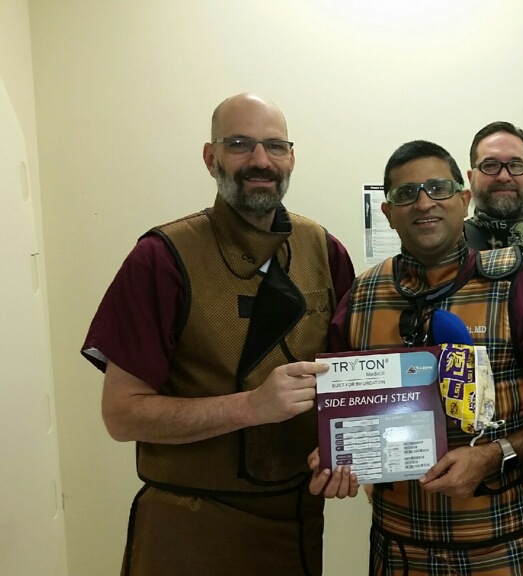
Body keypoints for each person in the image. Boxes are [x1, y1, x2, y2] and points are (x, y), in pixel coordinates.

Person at [81, 93, 355, 576]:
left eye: (274, 146)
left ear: (292, 157)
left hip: (297, 521)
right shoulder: (162, 258)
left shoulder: (325, 251)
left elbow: (348, 385)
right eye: (239, 144)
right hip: (189, 525)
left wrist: (346, 451)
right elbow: (121, 415)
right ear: (211, 158)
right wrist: (250, 407)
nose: (259, 161)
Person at [310, 140, 523, 575]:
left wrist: (496, 453)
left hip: (505, 545)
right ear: (388, 213)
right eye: (405, 194)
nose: (424, 202)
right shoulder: (361, 296)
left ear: (464, 199)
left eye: (438, 188)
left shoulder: (518, 282)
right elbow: (335, 406)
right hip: (399, 551)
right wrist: (331, 456)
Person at [463, 121, 523, 261]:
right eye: (490, 165)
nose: (504, 177)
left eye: (516, 165)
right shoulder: (452, 248)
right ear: (471, 178)